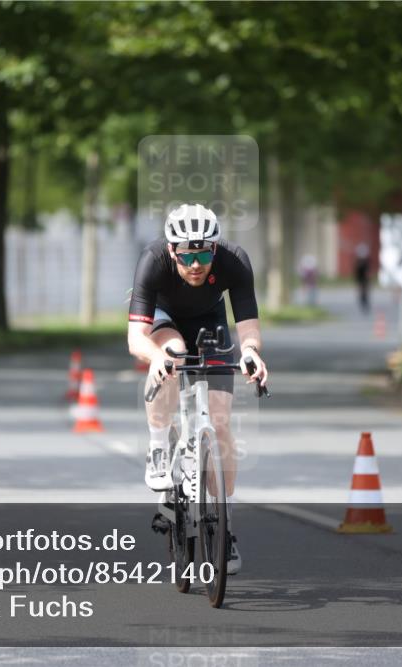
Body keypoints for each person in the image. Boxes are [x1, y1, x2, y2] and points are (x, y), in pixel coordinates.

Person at [127, 203, 268, 575]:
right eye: (187, 256)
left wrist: (251, 352)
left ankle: (226, 528)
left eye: (203, 255)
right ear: (171, 250)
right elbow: (135, 338)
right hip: (163, 318)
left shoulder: (234, 261)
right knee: (173, 354)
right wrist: (155, 357)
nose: (195, 264)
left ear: (215, 249)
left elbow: (248, 325)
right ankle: (159, 446)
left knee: (220, 423)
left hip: (210, 321)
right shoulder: (153, 260)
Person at [354, 242, 371, 313]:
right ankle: (363, 303)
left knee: (364, 293)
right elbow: (357, 273)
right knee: (362, 293)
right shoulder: (359, 263)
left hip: (364, 280)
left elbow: (367, 272)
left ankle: (365, 304)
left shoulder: (365, 262)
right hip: (361, 279)